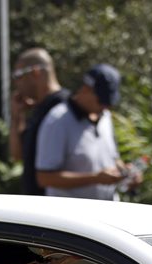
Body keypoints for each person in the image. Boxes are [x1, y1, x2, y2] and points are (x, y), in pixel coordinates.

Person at [36, 63, 140, 200]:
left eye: (108, 102)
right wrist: (94, 178)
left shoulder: (105, 116)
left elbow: (112, 158)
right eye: (101, 101)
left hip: (106, 212)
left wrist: (125, 173)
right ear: (86, 89)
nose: (106, 106)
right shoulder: (57, 121)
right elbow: (45, 178)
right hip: (70, 216)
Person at [9, 48, 69, 196]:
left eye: (18, 75)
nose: (16, 83)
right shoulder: (39, 108)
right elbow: (17, 155)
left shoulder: (64, 107)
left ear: (35, 72)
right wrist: (17, 116)